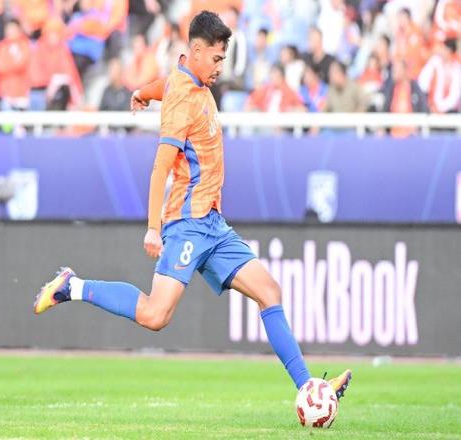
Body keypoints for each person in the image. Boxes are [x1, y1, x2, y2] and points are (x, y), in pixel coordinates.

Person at [34, 10, 352, 400]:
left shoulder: (185, 81)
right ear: (197, 51)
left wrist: (143, 92)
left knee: (269, 291)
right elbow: (160, 168)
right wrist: (153, 228)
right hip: (186, 223)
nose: (221, 67)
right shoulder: (184, 101)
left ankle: (308, 388)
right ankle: (73, 286)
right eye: (217, 58)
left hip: (212, 223)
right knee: (155, 315)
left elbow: (166, 84)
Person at [418, 38, 460, 114]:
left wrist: (441, 108)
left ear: (449, 50)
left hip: (449, 112)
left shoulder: (456, 69)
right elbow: (422, 83)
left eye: (443, 48)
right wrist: (432, 63)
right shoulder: (435, 63)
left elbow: (455, 96)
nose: (440, 51)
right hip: (432, 109)